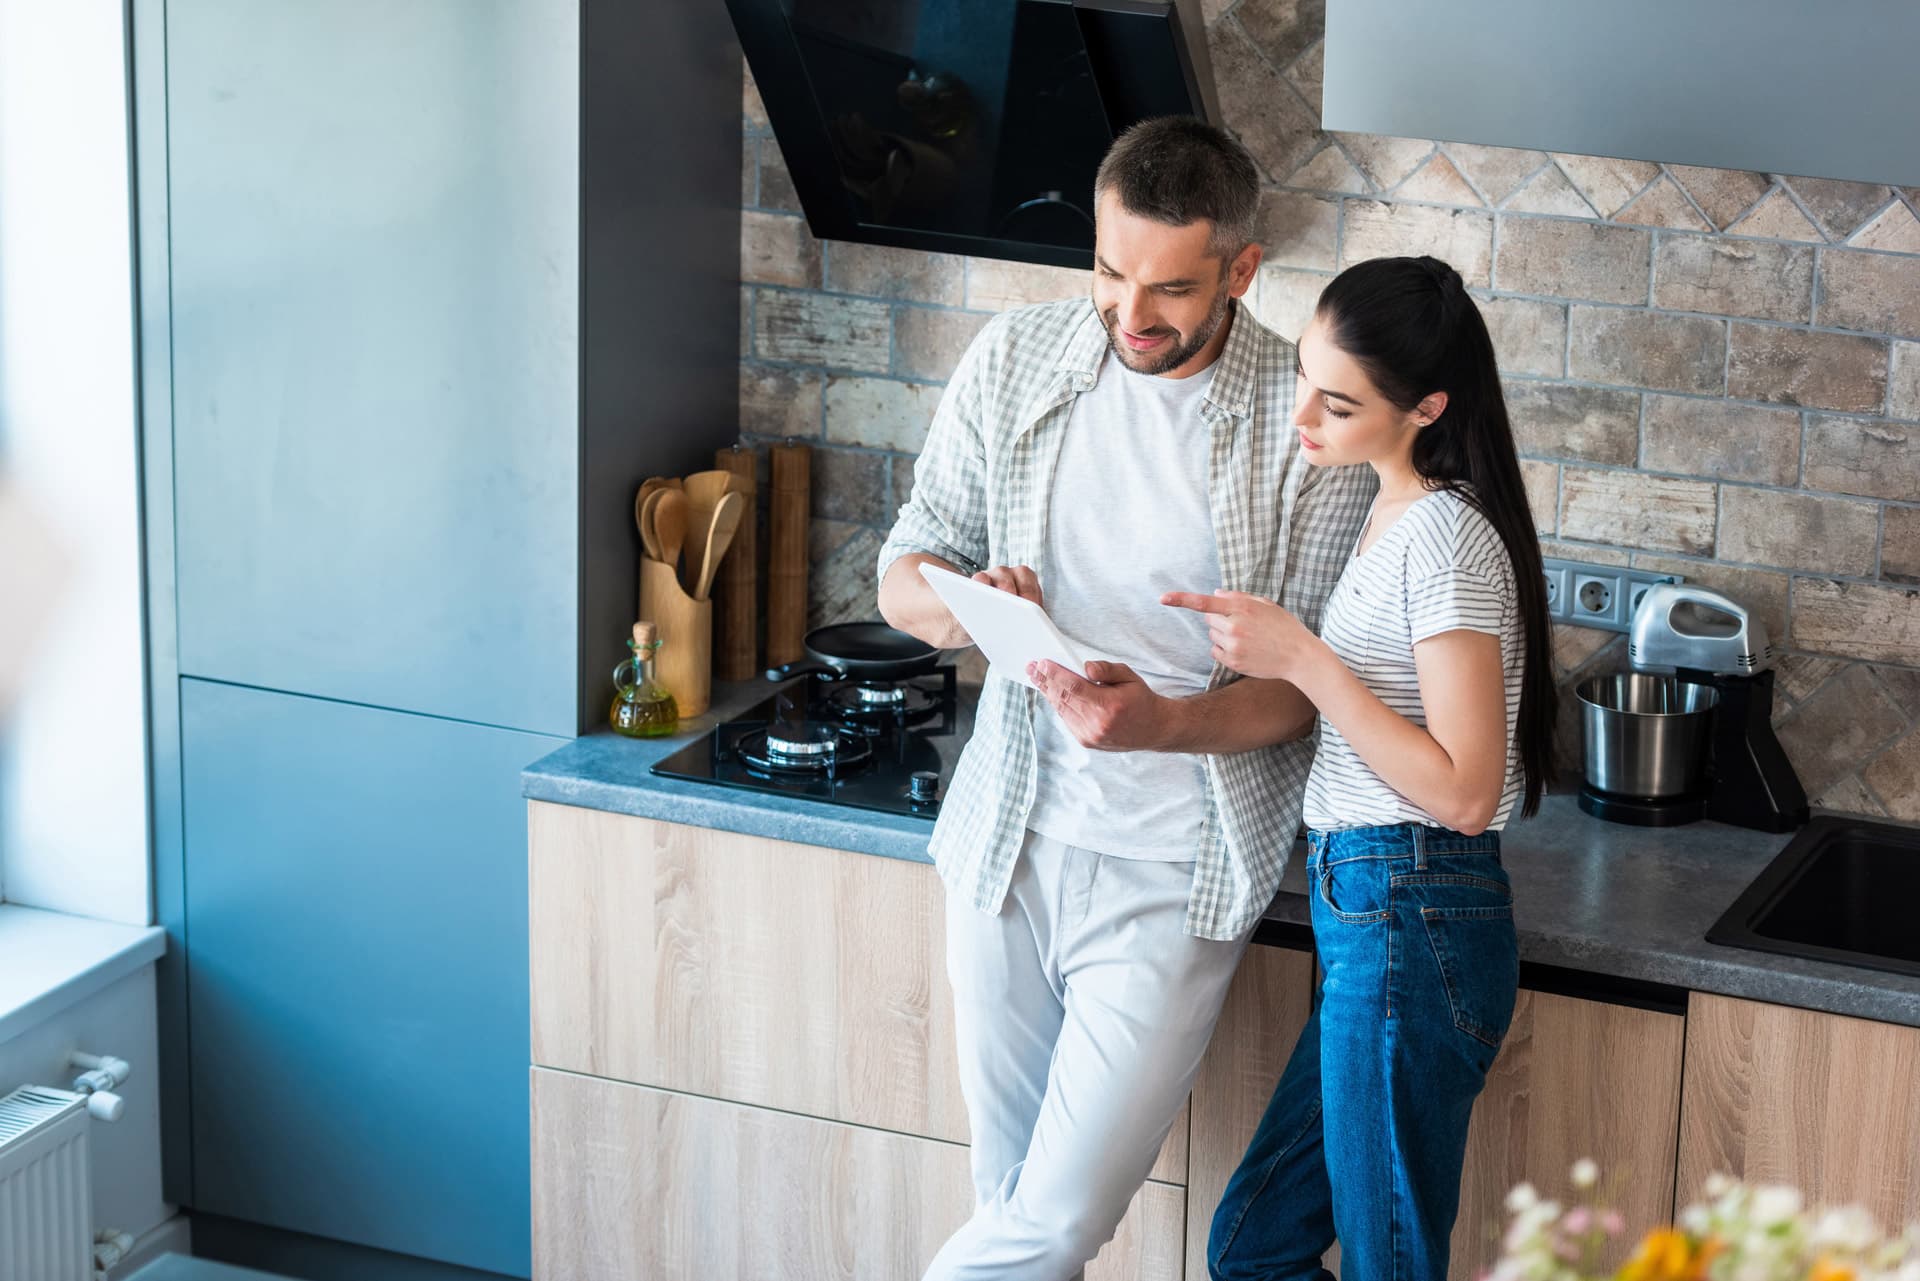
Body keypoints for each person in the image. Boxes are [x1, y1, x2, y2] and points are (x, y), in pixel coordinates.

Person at [875, 115, 1375, 1281]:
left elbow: (1301, 694)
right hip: (1004, 842)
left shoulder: (1306, 420)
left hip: (1171, 870)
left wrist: (1167, 724)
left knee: (1050, 1225)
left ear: (1243, 272)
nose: (1131, 313)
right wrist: (966, 601)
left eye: (1171, 289)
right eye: (1109, 271)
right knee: (1009, 1209)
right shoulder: (1015, 359)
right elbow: (904, 569)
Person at [1165, 254, 1557, 1281]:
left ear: (1427, 405)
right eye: (1306, 381)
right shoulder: (1388, 512)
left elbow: (1466, 789)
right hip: (1376, 912)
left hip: (1412, 905)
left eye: (1337, 404)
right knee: (1254, 1246)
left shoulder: (1446, 540)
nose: (1305, 420)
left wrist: (1306, 659)